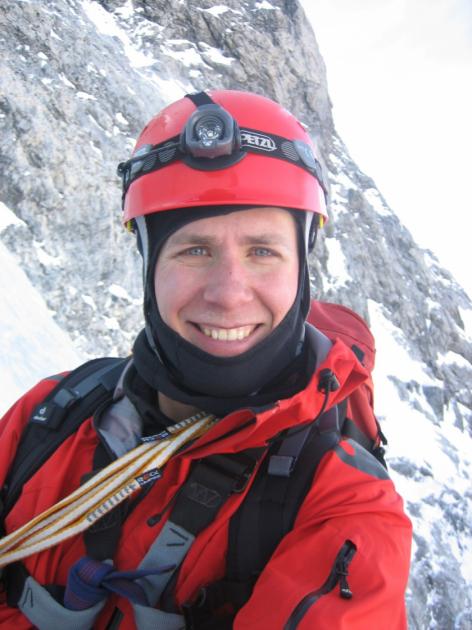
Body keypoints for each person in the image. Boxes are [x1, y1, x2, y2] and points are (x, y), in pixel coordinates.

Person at [0, 90, 412, 629]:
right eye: (195, 250)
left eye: (262, 251)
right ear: (149, 263)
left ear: (302, 269)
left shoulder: (344, 505)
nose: (228, 293)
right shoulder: (52, 413)